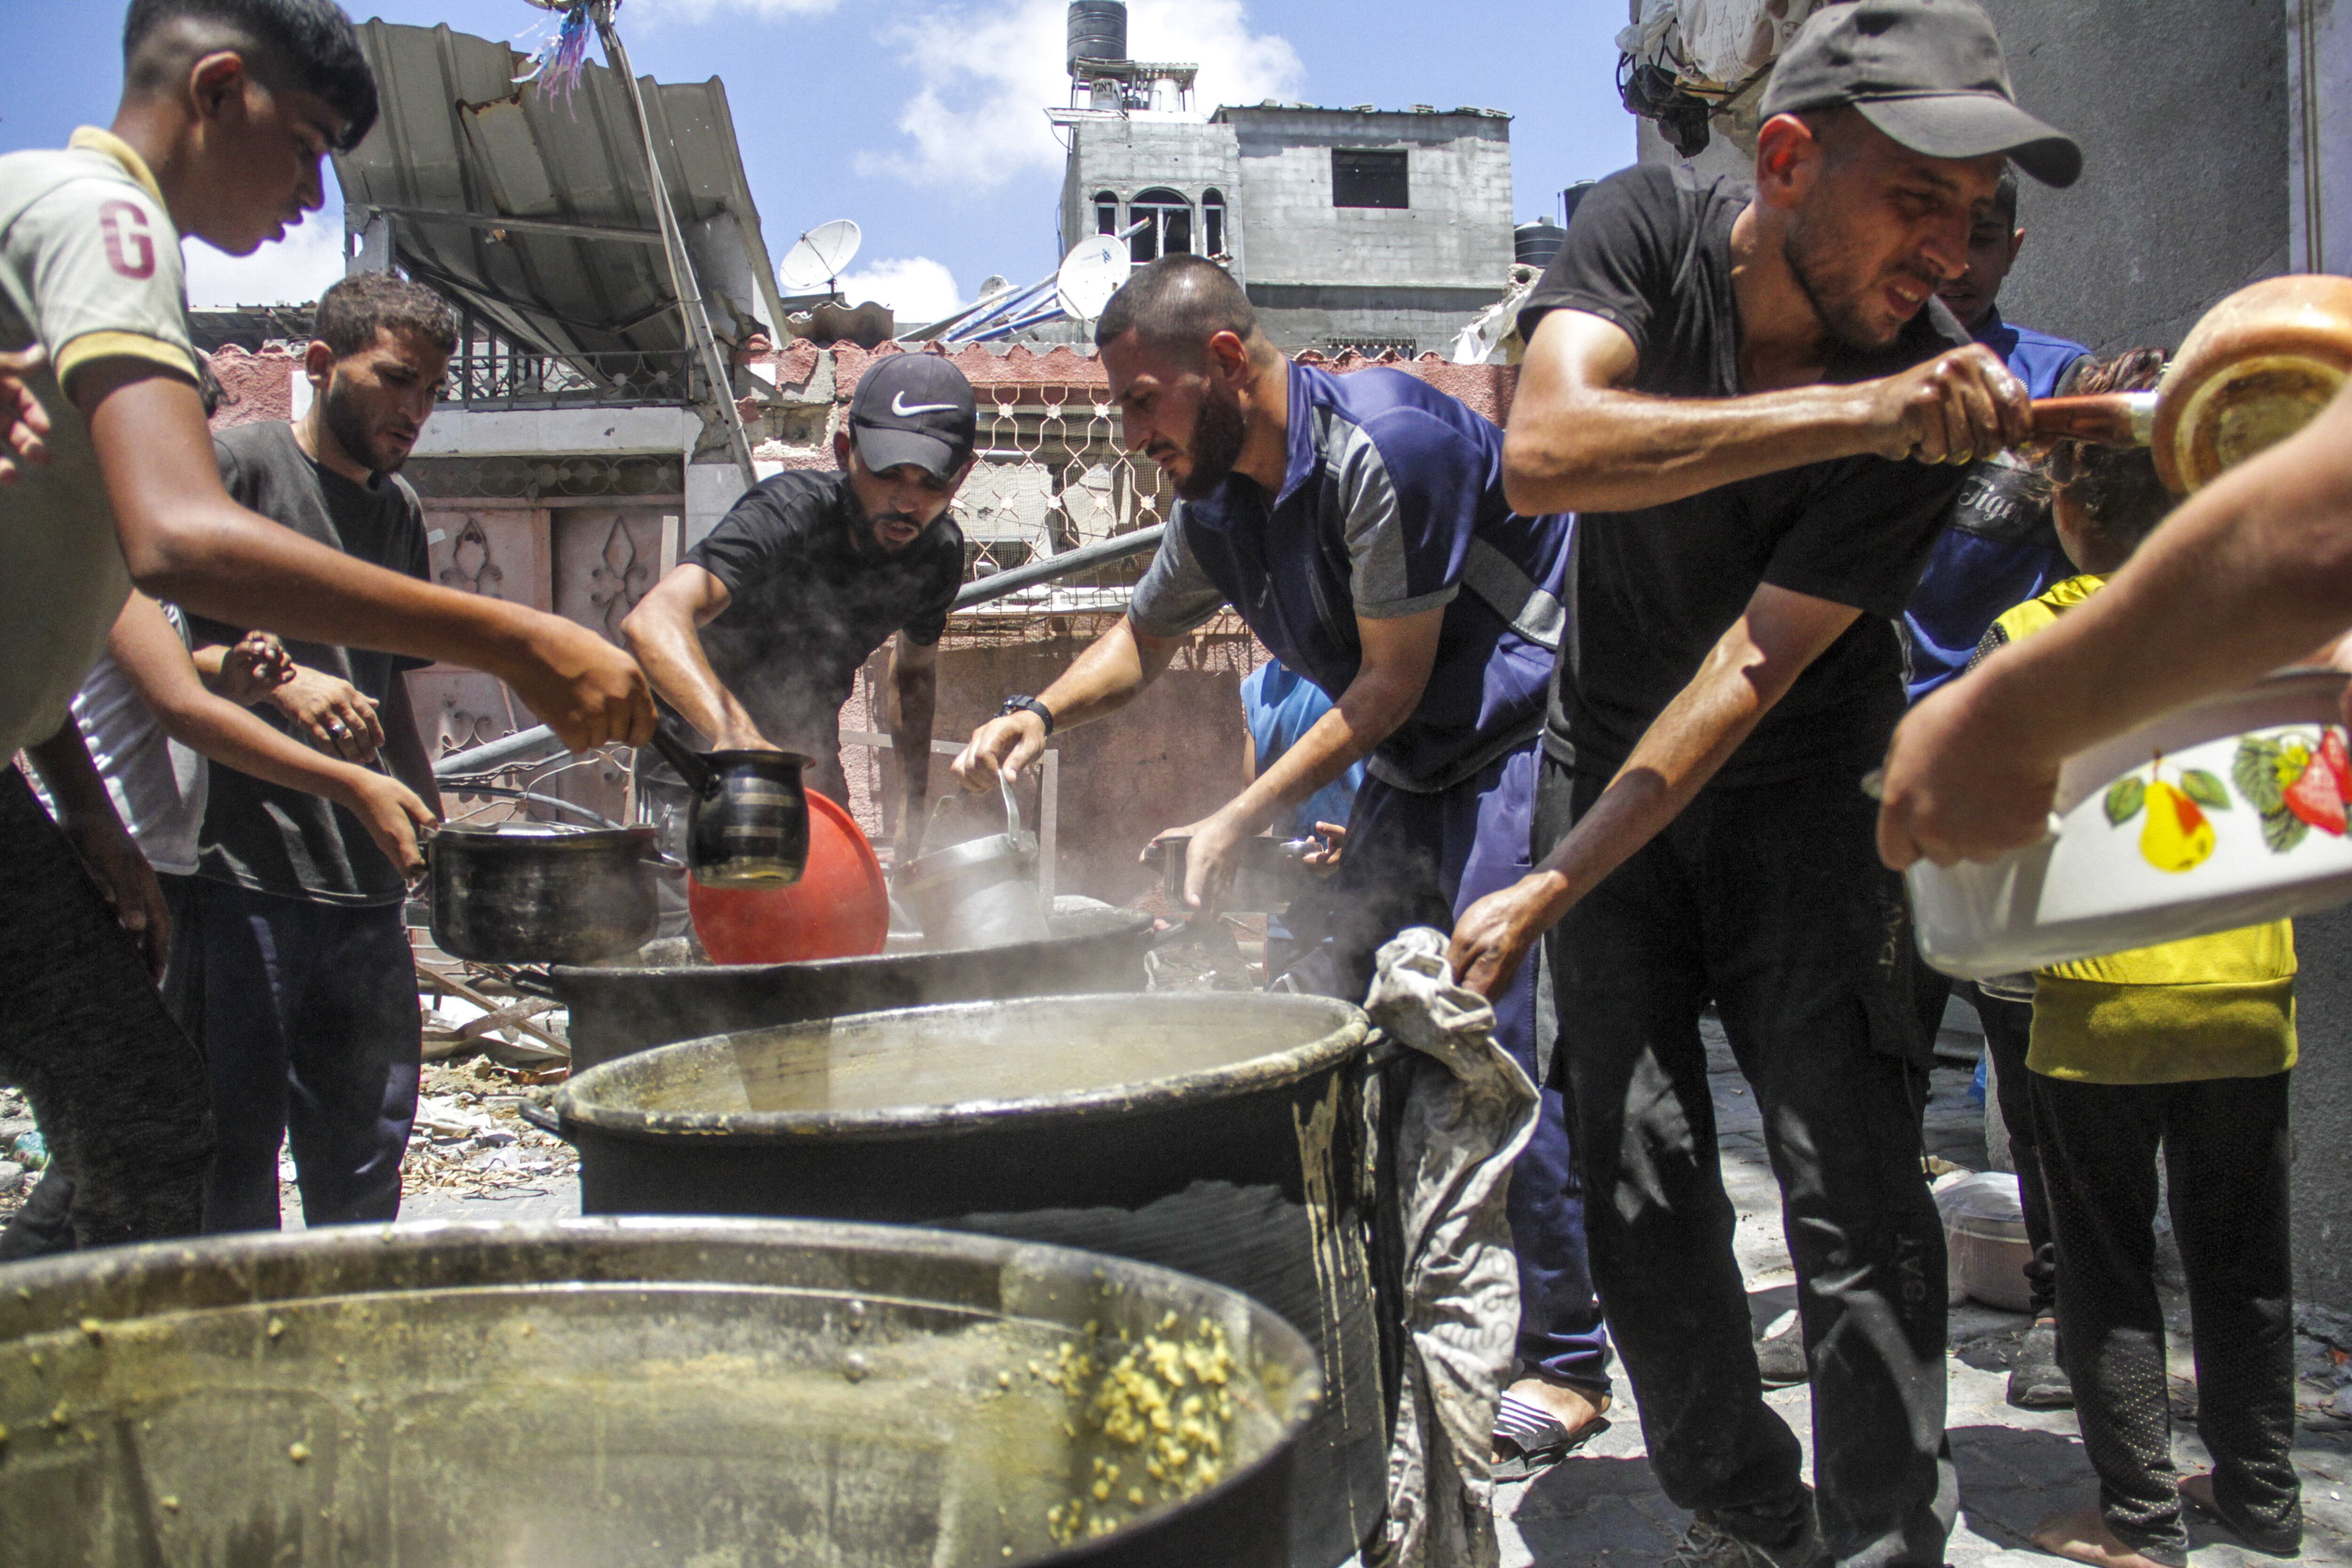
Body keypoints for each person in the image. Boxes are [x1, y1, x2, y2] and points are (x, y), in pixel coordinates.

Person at [1443, 2, 2082, 1562]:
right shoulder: (1643, 232)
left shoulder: (1937, 386)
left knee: (1854, 1192)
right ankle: (1739, 1502)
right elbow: (1547, 449)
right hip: (1604, 750)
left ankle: (1879, 1541)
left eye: (1978, 218)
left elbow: (1748, 667)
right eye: (1916, 201)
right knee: (1638, 1174)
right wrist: (1569, 867)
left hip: (1805, 787)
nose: (1950, 252)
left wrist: (1553, 870)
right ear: (1786, 161)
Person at [0, 0, 652, 1250]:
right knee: (157, 1135)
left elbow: (44, 611)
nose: (312, 191)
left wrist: (80, 807)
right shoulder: (110, 221)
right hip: (245, 883)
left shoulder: (83, 239)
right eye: (305, 142)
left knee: (138, 1127)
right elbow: (178, 547)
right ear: (220, 87)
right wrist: (518, 635)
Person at [950, 254, 1613, 1472]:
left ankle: (1564, 1358)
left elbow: (1389, 681)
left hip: (1520, 733)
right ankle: (1372, 1295)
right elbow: (1142, 643)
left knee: (1489, 1028)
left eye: (1143, 400)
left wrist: (1231, 817)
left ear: (1222, 363)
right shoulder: (1217, 503)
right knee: (1334, 1021)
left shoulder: (1385, 446)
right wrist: (1038, 715)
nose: (1129, 429)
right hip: (1417, 754)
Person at [1957, 350, 2304, 1568]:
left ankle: (2141, 1518)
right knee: (2246, 1266)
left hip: (2098, 1016)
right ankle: (2262, 1495)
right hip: (2248, 1002)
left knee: (2109, 1270)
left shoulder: (2029, 635)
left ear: (2073, 500)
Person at [0, 595, 434, 1256]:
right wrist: (353, 784)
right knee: (124, 1138)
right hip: (122, 865)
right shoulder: (109, 568)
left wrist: (236, 679)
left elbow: (170, 685)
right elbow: (180, 708)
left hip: (159, 863)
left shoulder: (131, 575)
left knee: (134, 1133)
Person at [1861, 164, 2087, 1410]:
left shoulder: (2059, 390)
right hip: (1869, 779)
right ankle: (1883, 1301)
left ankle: (2068, 1300)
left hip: (2003, 781)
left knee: (2035, 1056)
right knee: (1873, 1053)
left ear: (2014, 243)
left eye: (1986, 236)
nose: (1958, 261)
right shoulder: (1858, 388)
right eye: (1936, 234)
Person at [183, 271, 457, 1231]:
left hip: (364, 889)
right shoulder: (241, 471)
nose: (415, 409)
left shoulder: (400, 512)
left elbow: (395, 692)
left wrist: (432, 827)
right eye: (395, 380)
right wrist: (266, 675)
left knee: (366, 1153)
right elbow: (156, 655)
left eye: (430, 391)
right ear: (317, 365)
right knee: (234, 1154)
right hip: (245, 877)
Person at [621, 354, 972, 876]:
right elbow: (653, 621)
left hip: (809, 761)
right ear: (844, 452)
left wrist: (911, 808)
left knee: (836, 919)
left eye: (931, 484)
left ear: (962, 476)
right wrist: (735, 736)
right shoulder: (784, 515)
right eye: (887, 474)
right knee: (697, 937)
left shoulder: (938, 555)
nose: (906, 503)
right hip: (696, 764)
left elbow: (914, 678)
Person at [1240, 657, 1360, 989]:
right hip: (1300, 911)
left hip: (1354, 907)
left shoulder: (1361, 670)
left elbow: (1252, 793)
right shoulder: (1256, 687)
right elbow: (1254, 796)